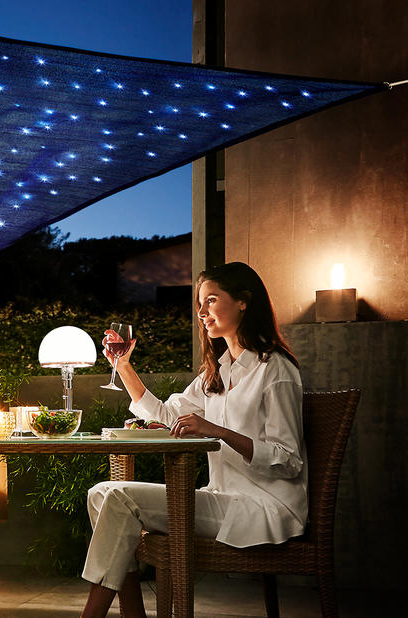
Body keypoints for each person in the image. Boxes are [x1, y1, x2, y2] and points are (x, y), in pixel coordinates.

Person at [80, 262, 307, 618]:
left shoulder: (275, 369)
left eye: (211, 300)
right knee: (101, 492)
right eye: (199, 304)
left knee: (120, 498)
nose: (201, 312)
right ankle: (132, 613)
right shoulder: (217, 371)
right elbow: (166, 414)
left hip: (264, 508)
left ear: (243, 302)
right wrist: (123, 366)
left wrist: (217, 431)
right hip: (220, 498)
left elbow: (289, 459)